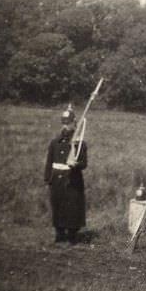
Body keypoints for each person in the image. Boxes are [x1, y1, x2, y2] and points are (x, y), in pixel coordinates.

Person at [44, 104, 88, 245]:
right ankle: (59, 234)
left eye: (68, 123)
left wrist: (76, 165)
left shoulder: (79, 144)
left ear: (74, 124)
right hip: (57, 179)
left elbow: (84, 163)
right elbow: (49, 162)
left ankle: (72, 235)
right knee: (58, 206)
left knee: (73, 208)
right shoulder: (54, 143)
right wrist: (48, 178)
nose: (65, 127)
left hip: (72, 179)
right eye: (63, 123)